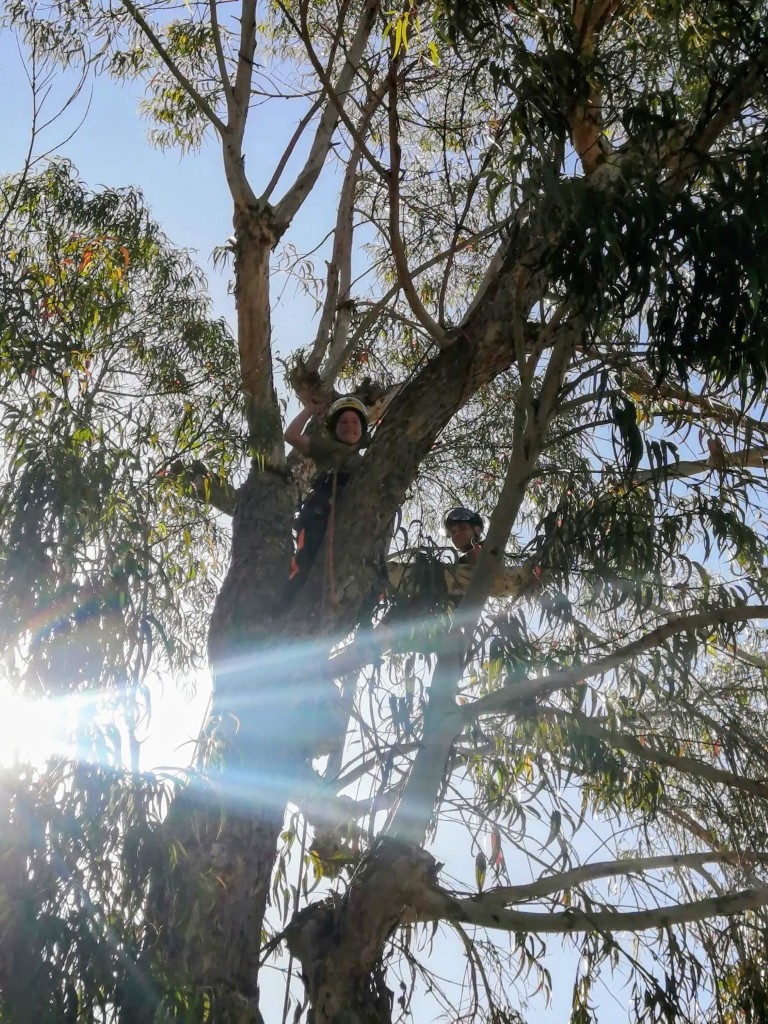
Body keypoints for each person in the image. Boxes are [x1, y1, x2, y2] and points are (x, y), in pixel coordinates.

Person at [284, 395, 369, 584]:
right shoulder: (328, 447)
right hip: (320, 513)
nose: (349, 425)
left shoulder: (369, 460)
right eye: (343, 421)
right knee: (304, 567)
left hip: (352, 517)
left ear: (363, 429)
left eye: (355, 422)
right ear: (334, 428)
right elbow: (291, 436)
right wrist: (310, 409)